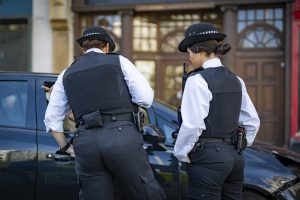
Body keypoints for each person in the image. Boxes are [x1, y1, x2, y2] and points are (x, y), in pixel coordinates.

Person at [44, 26, 165, 200]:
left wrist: (66, 147)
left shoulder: (66, 73)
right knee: (145, 193)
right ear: (106, 47)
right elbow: (145, 99)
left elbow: (52, 120)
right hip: (122, 136)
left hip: (86, 143)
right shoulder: (119, 62)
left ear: (83, 49)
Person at [173, 22, 260, 200]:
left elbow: (193, 124)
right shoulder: (236, 79)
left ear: (198, 50)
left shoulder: (196, 80)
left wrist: (181, 153)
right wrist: (240, 145)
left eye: (189, 53)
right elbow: (251, 120)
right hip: (235, 157)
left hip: (208, 159)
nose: (189, 58)